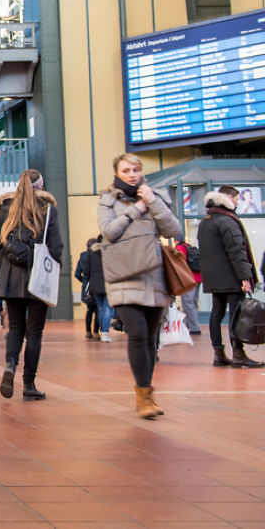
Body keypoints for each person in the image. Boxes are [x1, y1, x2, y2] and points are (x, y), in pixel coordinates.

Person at [99, 154, 181, 418]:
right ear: (117, 173)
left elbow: (173, 230)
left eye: (135, 170)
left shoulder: (155, 196)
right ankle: (143, 396)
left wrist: (152, 201)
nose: (132, 175)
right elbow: (108, 232)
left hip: (154, 276)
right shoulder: (108, 200)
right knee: (137, 333)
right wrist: (137, 209)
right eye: (126, 170)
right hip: (124, 275)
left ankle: (147, 395)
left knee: (150, 338)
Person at [0, 169, 63, 401]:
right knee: (34, 333)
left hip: (12, 278)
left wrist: (9, 266)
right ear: (40, 186)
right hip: (38, 277)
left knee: (15, 328)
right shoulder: (48, 210)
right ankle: (29, 384)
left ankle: (10, 365)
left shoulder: (6, 209)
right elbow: (56, 246)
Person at [197, 185, 262, 368]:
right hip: (232, 277)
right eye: (236, 198)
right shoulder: (227, 221)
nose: (237, 202)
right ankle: (238, 354)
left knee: (216, 314)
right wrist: (245, 277)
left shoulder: (205, 222)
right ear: (229, 198)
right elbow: (237, 252)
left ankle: (218, 354)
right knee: (237, 316)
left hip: (214, 278)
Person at [175, 239, 202, 336]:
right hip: (198, 278)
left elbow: (180, 264)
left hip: (188, 279)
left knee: (188, 303)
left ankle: (194, 328)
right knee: (193, 302)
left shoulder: (179, 248)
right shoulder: (188, 246)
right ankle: (192, 325)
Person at [88, 235, 112, 342]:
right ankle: (104, 332)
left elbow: (86, 270)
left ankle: (101, 331)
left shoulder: (91, 254)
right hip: (107, 283)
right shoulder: (110, 253)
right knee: (107, 308)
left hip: (94, 285)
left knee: (100, 308)